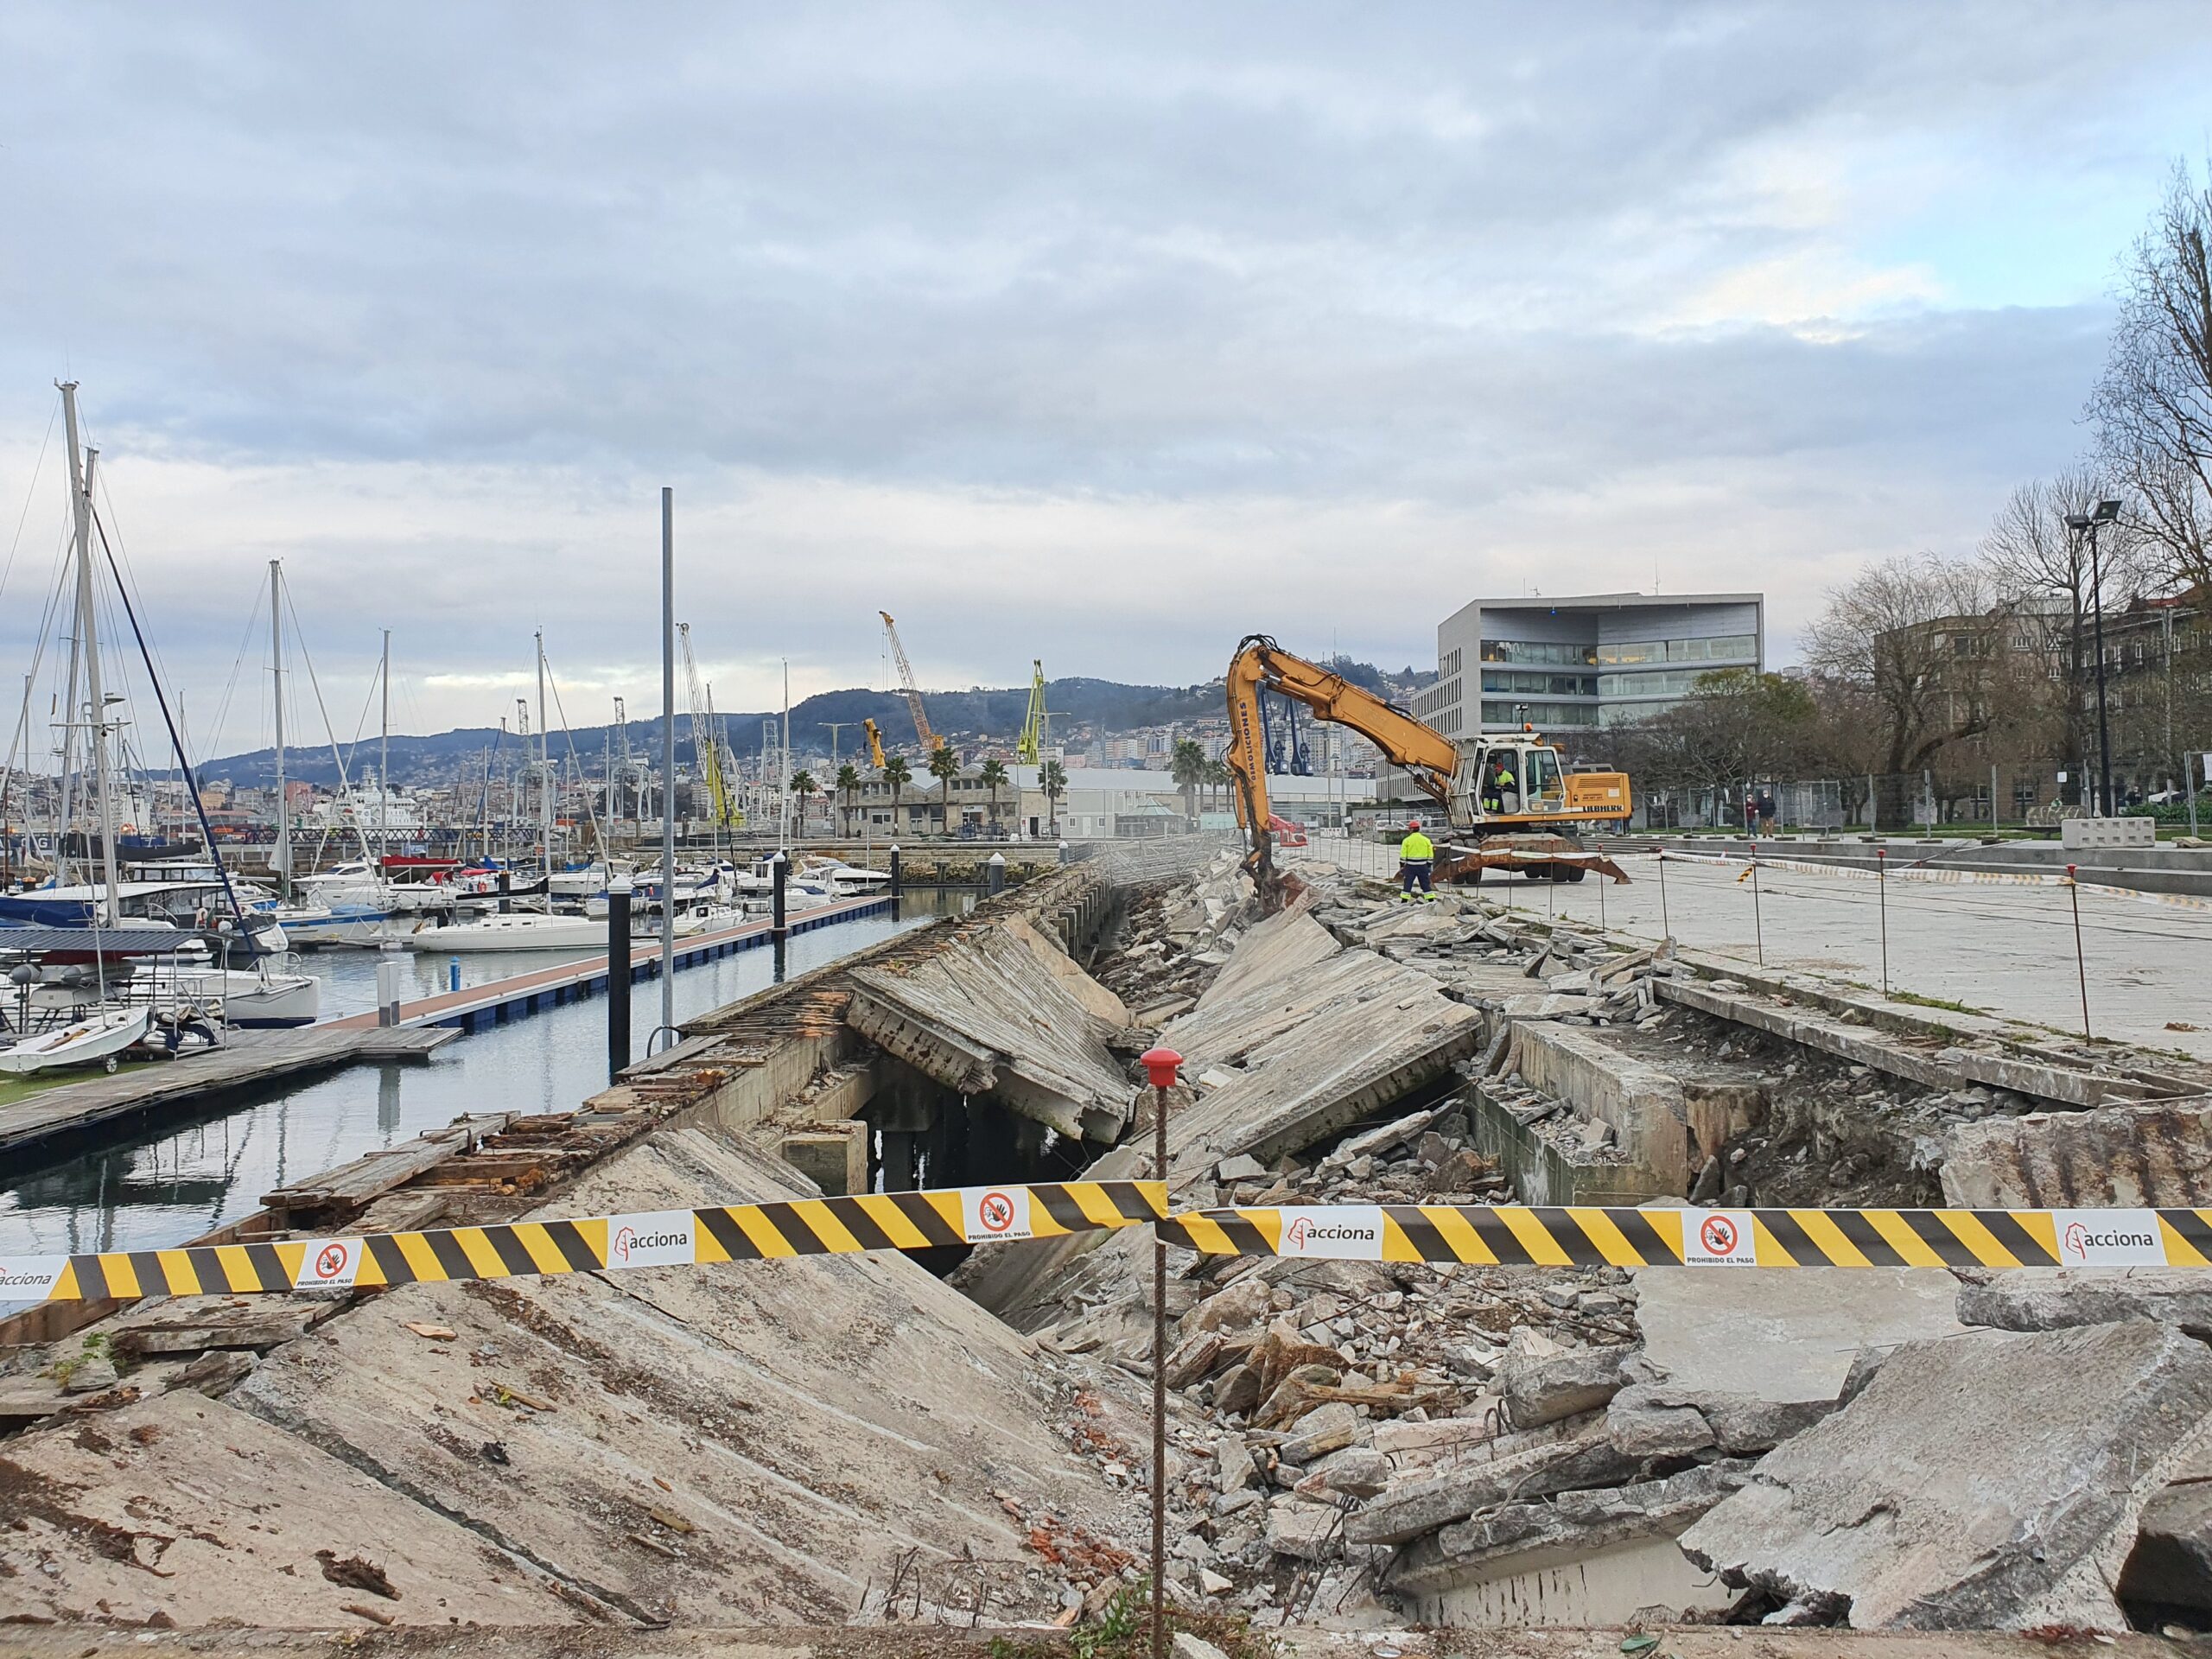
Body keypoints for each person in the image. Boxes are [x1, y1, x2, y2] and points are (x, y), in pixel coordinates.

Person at [1398, 819, 1435, 902]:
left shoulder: (1406, 840)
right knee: (1425, 883)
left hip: (1410, 866)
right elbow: (1430, 854)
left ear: (1411, 829)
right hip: (1423, 866)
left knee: (1408, 884)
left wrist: (1401, 865)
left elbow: (1403, 855)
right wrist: (1429, 864)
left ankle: (1404, 902)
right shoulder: (1426, 840)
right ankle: (1431, 901)